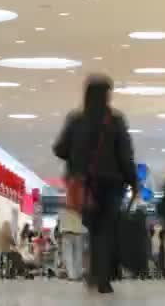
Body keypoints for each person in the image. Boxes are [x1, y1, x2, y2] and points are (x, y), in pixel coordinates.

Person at [53, 74, 138, 294]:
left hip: (84, 185)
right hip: (112, 184)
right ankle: (102, 277)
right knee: (106, 229)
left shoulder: (76, 119)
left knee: (93, 230)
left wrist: (76, 156)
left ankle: (95, 274)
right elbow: (125, 154)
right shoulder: (115, 120)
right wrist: (133, 180)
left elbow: (59, 149)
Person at [60, 207, 85, 281]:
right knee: (78, 255)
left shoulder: (63, 211)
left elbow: (60, 224)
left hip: (67, 233)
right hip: (78, 233)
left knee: (68, 255)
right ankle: (78, 274)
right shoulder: (80, 210)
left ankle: (71, 275)